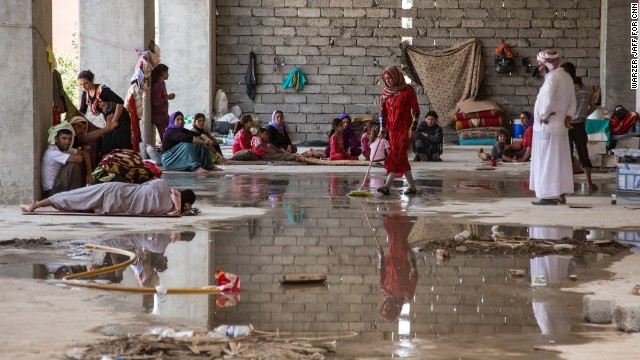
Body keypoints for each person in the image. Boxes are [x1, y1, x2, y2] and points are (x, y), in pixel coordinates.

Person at [530, 50, 576, 205]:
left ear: (546, 63)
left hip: (548, 127)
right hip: (560, 126)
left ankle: (548, 196)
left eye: (540, 62)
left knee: (547, 161)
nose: (539, 65)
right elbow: (572, 100)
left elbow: (548, 100)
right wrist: (569, 116)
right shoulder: (567, 77)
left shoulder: (553, 79)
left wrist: (543, 115)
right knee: (560, 161)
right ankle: (560, 193)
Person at [21, 178, 195, 216]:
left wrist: (178, 207)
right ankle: (35, 205)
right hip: (114, 201)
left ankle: (36, 205)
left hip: (115, 192)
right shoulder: (168, 210)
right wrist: (179, 209)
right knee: (77, 201)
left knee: (75, 198)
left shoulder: (162, 185)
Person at [376, 66, 420, 195]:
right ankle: (412, 187)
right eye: (386, 79)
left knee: (396, 153)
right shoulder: (385, 93)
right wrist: (382, 129)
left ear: (396, 76)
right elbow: (382, 113)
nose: (388, 81)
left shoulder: (408, 90)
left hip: (404, 128)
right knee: (401, 157)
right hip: (391, 129)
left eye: (390, 78)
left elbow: (416, 110)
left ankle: (387, 185)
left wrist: (413, 128)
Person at [77, 70, 132, 157]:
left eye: (86, 83)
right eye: (80, 84)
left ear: (92, 81)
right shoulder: (86, 94)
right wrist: (76, 124)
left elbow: (120, 102)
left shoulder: (102, 90)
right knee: (108, 146)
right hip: (110, 120)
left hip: (120, 118)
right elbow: (82, 111)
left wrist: (114, 120)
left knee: (120, 145)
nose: (83, 86)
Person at [561, 62, 598, 191]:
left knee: (566, 155)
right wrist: (584, 114)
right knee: (583, 153)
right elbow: (593, 106)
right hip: (580, 125)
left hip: (566, 125)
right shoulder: (587, 90)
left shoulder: (566, 89)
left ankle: (567, 184)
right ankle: (589, 182)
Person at [378, 213, 418, 322]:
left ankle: (396, 215)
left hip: (391, 258)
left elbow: (381, 272)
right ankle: (404, 216)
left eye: (383, 308)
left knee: (394, 237)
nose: (386, 306)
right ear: (393, 311)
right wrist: (412, 261)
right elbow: (414, 277)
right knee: (399, 237)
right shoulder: (405, 297)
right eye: (388, 309)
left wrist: (381, 256)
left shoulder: (383, 292)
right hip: (403, 258)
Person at [41, 122, 93, 198]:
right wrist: (79, 156)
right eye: (64, 138)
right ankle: (74, 197)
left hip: (60, 186)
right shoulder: (52, 152)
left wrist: (89, 173)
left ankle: (78, 193)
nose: (67, 142)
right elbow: (79, 158)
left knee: (79, 162)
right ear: (56, 139)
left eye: (69, 139)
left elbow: (85, 154)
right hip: (51, 191)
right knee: (74, 165)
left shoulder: (63, 148)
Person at [150, 64, 175, 141]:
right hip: (159, 117)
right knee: (165, 137)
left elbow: (162, 98)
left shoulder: (162, 83)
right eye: (166, 72)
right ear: (162, 73)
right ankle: (167, 151)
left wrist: (167, 97)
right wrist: (167, 97)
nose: (168, 74)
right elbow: (155, 102)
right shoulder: (157, 86)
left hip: (164, 115)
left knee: (168, 134)